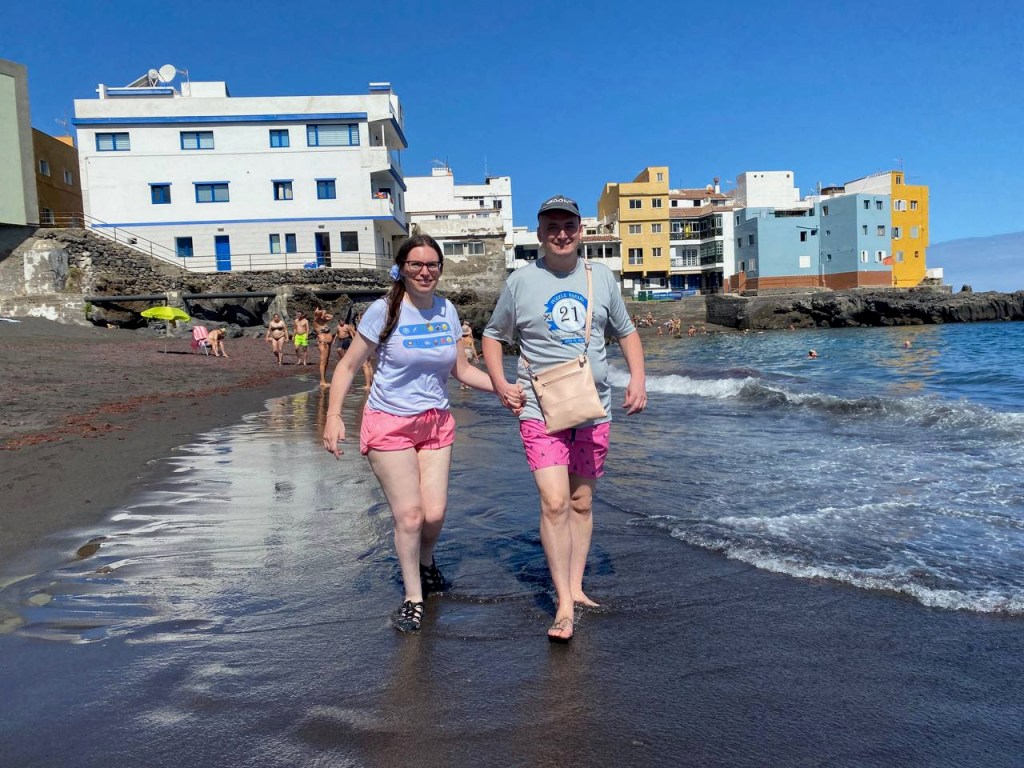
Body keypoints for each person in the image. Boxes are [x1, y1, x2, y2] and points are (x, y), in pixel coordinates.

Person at [322, 234, 513, 634]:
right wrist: (334, 415)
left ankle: (426, 565)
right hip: (390, 422)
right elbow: (348, 366)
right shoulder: (384, 310)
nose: (425, 271)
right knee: (409, 516)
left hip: (435, 423)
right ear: (402, 269)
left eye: (432, 265)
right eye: (416, 264)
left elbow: (460, 370)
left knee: (435, 513)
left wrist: (502, 387)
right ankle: (413, 597)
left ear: (440, 269)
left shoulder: (447, 311)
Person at [482, 195, 647, 643]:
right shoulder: (520, 282)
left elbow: (626, 331)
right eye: (551, 226)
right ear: (539, 233)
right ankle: (562, 603)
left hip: (593, 407)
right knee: (555, 501)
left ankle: (576, 587)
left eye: (568, 225)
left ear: (580, 231)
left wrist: (638, 379)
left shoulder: (602, 277)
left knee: (581, 503)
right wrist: (500, 383)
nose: (561, 233)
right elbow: (493, 335)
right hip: (539, 405)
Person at [313, 308, 335, 386]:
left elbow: (331, 316)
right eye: (323, 313)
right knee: (323, 362)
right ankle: (322, 381)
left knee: (326, 362)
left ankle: (324, 379)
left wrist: (324, 314)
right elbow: (317, 314)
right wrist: (320, 312)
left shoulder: (324, 322)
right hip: (323, 343)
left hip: (328, 344)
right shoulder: (316, 322)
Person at [459, 321, 479, 389]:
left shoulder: (460, 339)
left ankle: (462, 384)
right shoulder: (470, 339)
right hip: (469, 353)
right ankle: (467, 384)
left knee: (463, 369)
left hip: (462, 352)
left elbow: (458, 347)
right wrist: (476, 357)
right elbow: (473, 348)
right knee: (468, 368)